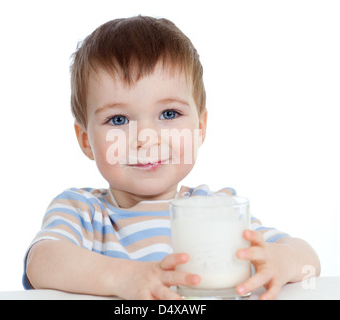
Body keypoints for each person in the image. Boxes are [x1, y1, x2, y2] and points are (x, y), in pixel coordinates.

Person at [23, 16, 320, 300]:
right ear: (86, 141)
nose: (145, 137)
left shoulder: (215, 210)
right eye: (118, 120)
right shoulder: (83, 212)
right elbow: (41, 261)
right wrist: (125, 278)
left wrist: (281, 260)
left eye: (169, 114)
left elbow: (308, 261)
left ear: (200, 128)